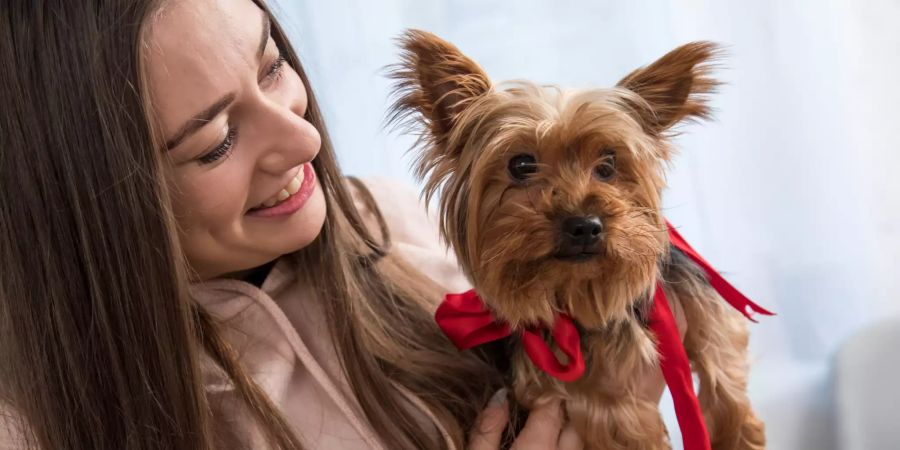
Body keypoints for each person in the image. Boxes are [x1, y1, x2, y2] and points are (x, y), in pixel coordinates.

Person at [0, 1, 589, 448]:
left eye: (273, 66)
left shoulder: (395, 221)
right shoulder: (31, 425)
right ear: (90, 206)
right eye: (216, 142)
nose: (305, 138)